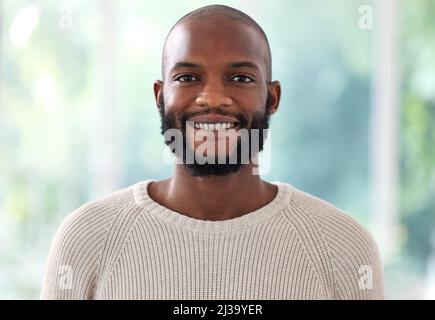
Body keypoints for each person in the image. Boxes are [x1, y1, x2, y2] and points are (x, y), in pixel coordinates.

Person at [41, 4, 384, 300]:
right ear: (160, 97)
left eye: (241, 78)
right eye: (188, 77)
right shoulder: (87, 238)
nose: (213, 98)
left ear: (272, 97)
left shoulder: (343, 246)